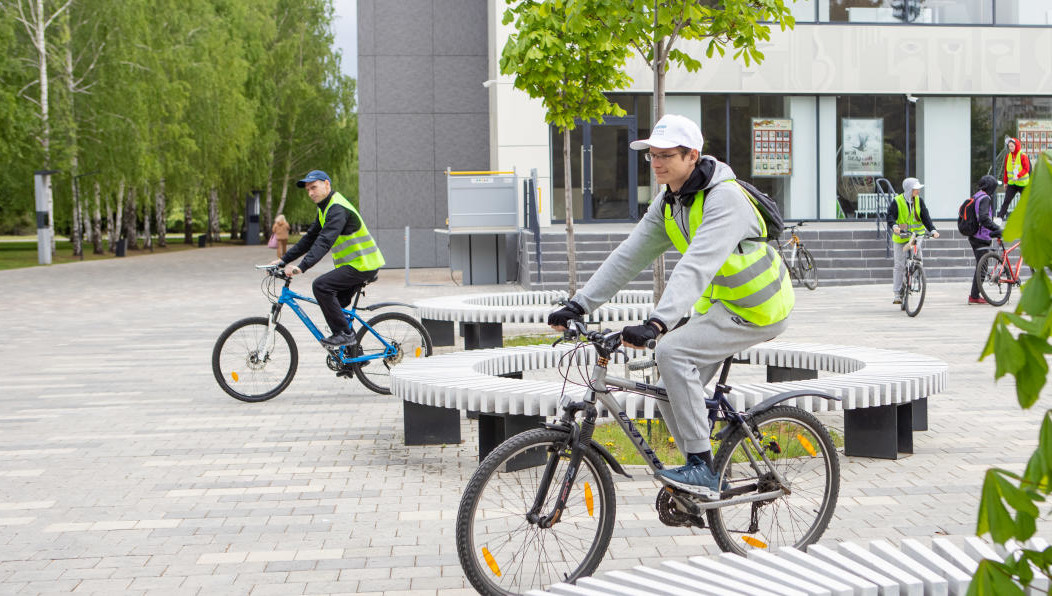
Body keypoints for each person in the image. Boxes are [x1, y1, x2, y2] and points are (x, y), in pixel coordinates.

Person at [547, 114, 794, 499]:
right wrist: (579, 304)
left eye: (666, 155)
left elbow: (697, 263)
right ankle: (704, 478)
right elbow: (629, 256)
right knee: (667, 387)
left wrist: (658, 323)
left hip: (757, 307)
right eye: (652, 156)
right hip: (722, 305)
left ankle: (701, 468)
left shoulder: (725, 198)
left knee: (671, 350)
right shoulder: (671, 201)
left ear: (692, 155)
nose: (657, 163)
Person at [269, 170, 385, 347]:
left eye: (314, 187)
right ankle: (355, 356)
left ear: (327, 185)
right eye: (308, 190)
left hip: (363, 264)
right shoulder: (325, 209)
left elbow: (324, 241)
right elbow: (309, 239)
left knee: (321, 286)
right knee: (334, 306)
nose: (310, 193)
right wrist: (283, 260)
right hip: (354, 265)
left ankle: (345, 334)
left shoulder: (337, 208)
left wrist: (302, 267)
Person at [886, 177, 939, 304]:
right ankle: (897, 293)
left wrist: (932, 230)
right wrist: (894, 226)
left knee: (918, 260)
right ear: (909, 190)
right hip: (901, 237)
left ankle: (916, 280)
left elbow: (926, 217)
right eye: (916, 189)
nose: (918, 191)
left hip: (916, 236)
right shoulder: (897, 201)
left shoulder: (919, 201)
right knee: (899, 265)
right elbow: (890, 216)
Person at [968, 175, 1003, 305]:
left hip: (975, 235)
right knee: (982, 266)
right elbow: (983, 218)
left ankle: (974, 295)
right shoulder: (985, 198)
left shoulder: (977, 195)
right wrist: (996, 228)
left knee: (980, 265)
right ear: (990, 187)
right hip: (980, 237)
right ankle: (974, 296)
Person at [998, 137, 1030, 220]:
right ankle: (1000, 218)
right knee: (1006, 201)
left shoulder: (1023, 156)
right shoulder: (1008, 156)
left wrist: (1018, 176)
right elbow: (1006, 170)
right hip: (1012, 184)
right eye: (1009, 146)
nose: (1010, 148)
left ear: (1017, 146)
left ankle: (1029, 218)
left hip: (1023, 184)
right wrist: (1005, 182)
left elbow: (1026, 169)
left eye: (1012, 146)